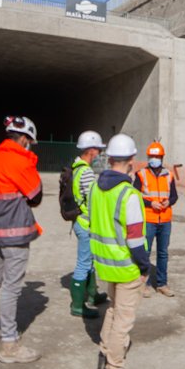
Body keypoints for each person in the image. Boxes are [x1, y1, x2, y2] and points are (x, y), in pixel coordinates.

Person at [0, 115, 43, 364]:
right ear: (24, 138)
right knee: (12, 288)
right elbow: (35, 195)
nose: (30, 146)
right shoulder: (19, 161)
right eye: (30, 142)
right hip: (15, 233)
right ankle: (9, 345)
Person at [89, 133, 150, 369]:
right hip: (127, 267)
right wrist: (145, 266)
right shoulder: (130, 195)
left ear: (110, 158)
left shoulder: (95, 188)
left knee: (113, 311)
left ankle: (104, 356)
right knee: (123, 321)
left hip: (105, 265)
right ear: (132, 161)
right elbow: (136, 241)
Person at [69, 130, 108, 319]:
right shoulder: (85, 172)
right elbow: (93, 202)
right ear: (91, 150)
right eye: (98, 150)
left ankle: (93, 295)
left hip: (81, 222)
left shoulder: (77, 167)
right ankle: (77, 305)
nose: (99, 154)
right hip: (86, 224)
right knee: (84, 263)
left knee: (90, 261)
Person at [134, 142, 179, 297]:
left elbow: (174, 195)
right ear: (148, 157)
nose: (154, 159)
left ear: (162, 157)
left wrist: (169, 202)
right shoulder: (141, 174)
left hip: (165, 220)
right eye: (152, 156)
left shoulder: (169, 175)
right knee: (145, 252)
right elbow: (135, 195)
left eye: (157, 156)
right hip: (148, 219)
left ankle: (162, 284)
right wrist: (150, 203)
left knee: (163, 253)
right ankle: (143, 284)